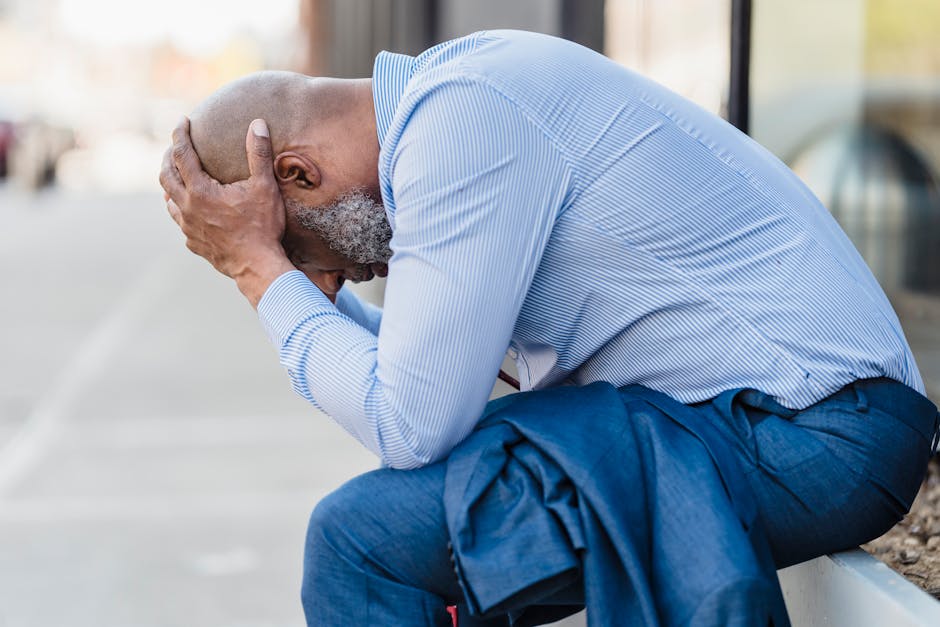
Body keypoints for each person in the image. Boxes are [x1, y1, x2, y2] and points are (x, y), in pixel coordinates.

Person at [160, 30, 938, 626]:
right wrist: (279, 277)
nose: (332, 271)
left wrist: (264, 275)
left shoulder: (460, 126)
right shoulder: (459, 98)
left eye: (295, 242)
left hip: (822, 430)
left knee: (361, 541)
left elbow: (410, 421)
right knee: (455, 505)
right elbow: (425, 381)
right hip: (770, 419)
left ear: (296, 173)